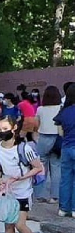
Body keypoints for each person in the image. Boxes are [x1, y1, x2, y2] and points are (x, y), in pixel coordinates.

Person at [0, 115, 44, 233]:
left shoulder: (24, 148)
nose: (2, 132)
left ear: (14, 128)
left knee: (20, 224)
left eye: (5, 129)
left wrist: (20, 177)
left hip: (23, 191)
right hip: (8, 191)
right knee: (8, 225)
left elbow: (37, 167)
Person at [33, 85, 62, 203]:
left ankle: (40, 194)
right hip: (57, 139)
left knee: (41, 167)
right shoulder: (61, 108)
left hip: (43, 138)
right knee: (56, 167)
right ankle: (55, 196)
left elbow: (36, 125)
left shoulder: (40, 109)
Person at [53, 86, 75, 217]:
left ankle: (63, 208)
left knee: (66, 178)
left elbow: (60, 132)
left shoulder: (64, 111)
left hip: (66, 147)